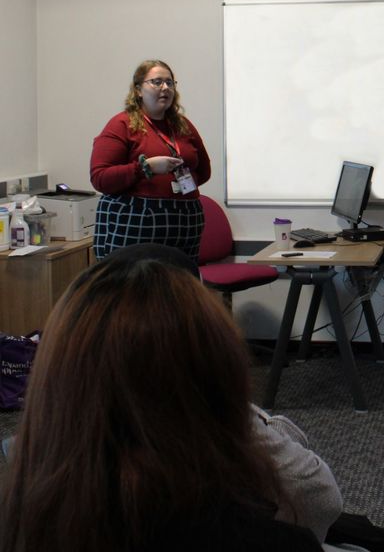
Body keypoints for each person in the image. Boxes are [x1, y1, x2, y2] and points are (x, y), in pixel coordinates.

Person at [0, 244, 337, 552]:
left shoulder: (20, 504)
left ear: (55, 369)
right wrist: (236, 413)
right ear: (220, 368)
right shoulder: (264, 539)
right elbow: (320, 500)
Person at [90, 60, 211, 262]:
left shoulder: (182, 125)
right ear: (138, 90)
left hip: (185, 219)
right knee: (136, 281)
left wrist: (177, 186)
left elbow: (204, 171)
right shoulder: (121, 124)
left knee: (180, 280)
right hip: (137, 219)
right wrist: (145, 168)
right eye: (157, 82)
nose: (165, 88)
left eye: (169, 83)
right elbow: (100, 178)